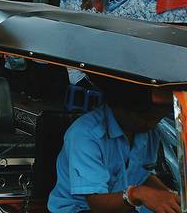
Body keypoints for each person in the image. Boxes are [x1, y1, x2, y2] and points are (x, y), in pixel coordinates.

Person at [48, 75, 179, 213]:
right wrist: (137, 194)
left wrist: (170, 196)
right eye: (146, 118)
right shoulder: (85, 135)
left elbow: (143, 175)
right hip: (80, 209)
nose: (152, 125)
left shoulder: (148, 132)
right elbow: (97, 205)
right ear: (119, 107)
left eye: (157, 119)